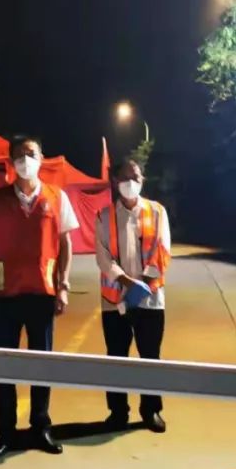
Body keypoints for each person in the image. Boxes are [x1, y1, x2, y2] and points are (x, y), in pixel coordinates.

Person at [0, 135, 79, 457]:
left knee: (41, 364)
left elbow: (66, 244)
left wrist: (63, 285)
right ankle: (5, 433)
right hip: (5, 295)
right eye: (19, 155)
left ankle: (40, 427)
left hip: (41, 294)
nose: (25, 160)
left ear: (41, 158)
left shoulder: (57, 197)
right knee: (4, 366)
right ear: (11, 162)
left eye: (31, 154)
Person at [95, 157, 171, 432]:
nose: (131, 182)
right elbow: (103, 257)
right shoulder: (104, 216)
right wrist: (128, 283)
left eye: (136, 177)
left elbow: (162, 251)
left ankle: (151, 410)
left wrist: (142, 286)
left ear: (142, 180)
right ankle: (118, 412)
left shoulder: (157, 211)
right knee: (117, 357)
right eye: (125, 177)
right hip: (114, 301)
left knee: (150, 356)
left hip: (150, 300)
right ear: (115, 181)